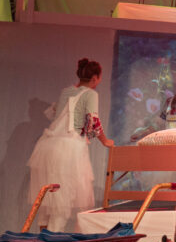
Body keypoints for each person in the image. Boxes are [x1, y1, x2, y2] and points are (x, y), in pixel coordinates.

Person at [27, 58, 115, 232]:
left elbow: (57, 115)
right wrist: (106, 141)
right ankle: (51, 241)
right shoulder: (90, 94)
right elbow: (93, 122)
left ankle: (42, 237)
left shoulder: (66, 91)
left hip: (48, 145)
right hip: (69, 148)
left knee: (49, 198)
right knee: (63, 199)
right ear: (95, 78)